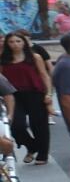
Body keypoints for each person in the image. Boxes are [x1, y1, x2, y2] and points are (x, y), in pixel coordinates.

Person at [1, 32, 53, 165]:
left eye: (18, 41)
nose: (15, 44)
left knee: (39, 125)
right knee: (16, 125)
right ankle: (32, 146)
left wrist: (48, 93)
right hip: (14, 95)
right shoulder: (3, 59)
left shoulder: (34, 57)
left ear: (24, 42)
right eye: (11, 42)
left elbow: (44, 75)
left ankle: (42, 154)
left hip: (34, 93)